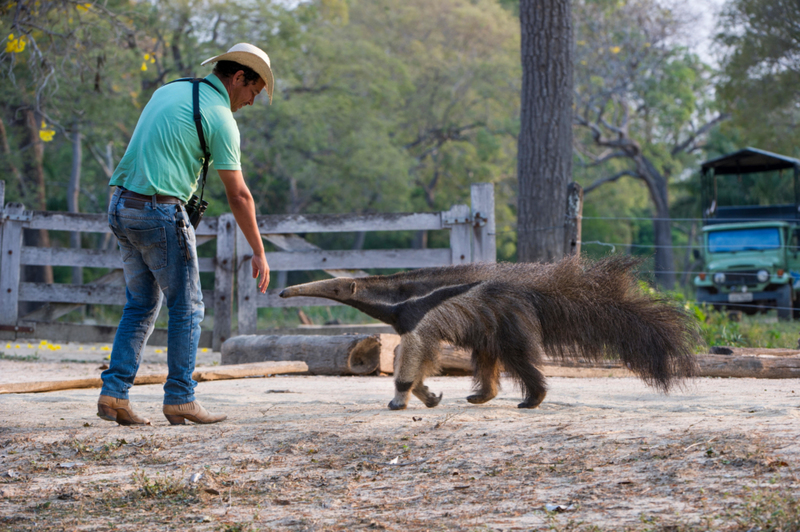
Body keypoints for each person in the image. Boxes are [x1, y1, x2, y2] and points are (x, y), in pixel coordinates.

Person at [97, 43, 273, 426]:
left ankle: (114, 394)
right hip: (159, 210)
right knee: (189, 307)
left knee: (141, 305)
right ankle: (180, 397)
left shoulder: (170, 89)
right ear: (239, 77)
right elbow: (239, 194)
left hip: (121, 205)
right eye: (253, 91)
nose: (251, 102)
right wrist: (259, 251)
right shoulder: (220, 117)